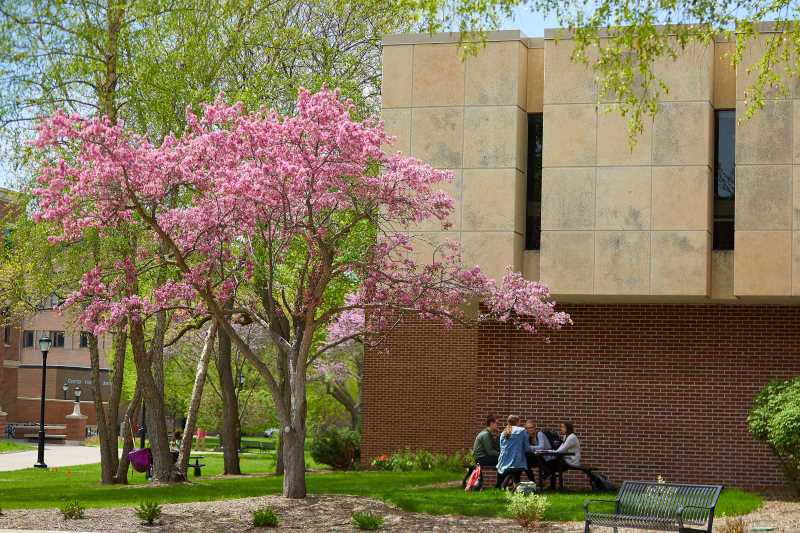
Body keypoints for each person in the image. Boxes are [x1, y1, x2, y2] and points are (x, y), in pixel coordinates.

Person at [463, 415, 500, 487]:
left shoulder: (488, 433)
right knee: (501, 461)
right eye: (496, 423)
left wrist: (498, 437)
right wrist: (501, 455)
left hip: (482, 457)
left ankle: (498, 484)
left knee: (501, 460)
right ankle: (498, 485)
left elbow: (495, 448)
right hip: (480, 458)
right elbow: (490, 451)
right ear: (491, 423)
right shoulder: (485, 434)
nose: (497, 425)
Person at [496, 415, 530, 489]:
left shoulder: (503, 433)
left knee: (508, 472)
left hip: (503, 462)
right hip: (517, 462)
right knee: (519, 469)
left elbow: (501, 448)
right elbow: (527, 448)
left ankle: (499, 487)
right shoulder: (522, 431)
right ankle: (516, 486)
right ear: (518, 422)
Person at [524, 420, 556, 486]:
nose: (530, 429)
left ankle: (546, 475)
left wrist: (529, 447)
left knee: (528, 459)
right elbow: (526, 449)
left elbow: (541, 447)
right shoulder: (528, 437)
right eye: (528, 428)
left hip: (547, 457)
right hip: (538, 458)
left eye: (532, 427)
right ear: (526, 429)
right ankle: (533, 482)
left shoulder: (539, 434)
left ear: (534, 428)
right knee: (525, 463)